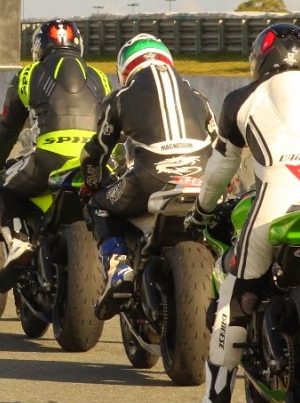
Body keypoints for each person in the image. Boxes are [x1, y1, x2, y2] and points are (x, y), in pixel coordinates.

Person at [179, 23, 300, 403]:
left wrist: (201, 214)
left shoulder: (242, 98)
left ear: (262, 58)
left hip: (275, 201)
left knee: (235, 295)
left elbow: (221, 170)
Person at [78, 34, 216, 318]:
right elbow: (221, 146)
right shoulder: (197, 96)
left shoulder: (119, 98)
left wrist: (92, 184)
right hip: (204, 180)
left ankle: (119, 266)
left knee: (99, 206)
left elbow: (95, 153)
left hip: (150, 178)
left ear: (125, 69)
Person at [0, 20, 111, 278]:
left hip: (48, 158)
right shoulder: (102, 77)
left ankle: (19, 242)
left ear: (39, 47)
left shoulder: (28, 74)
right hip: (93, 161)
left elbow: (7, 129)